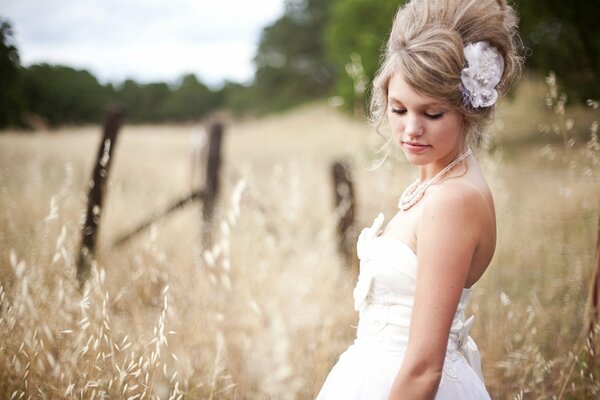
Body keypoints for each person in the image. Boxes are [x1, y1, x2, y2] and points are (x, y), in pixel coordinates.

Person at [316, 0, 522, 398]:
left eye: (431, 114)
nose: (410, 129)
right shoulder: (437, 184)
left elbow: (425, 368)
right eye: (399, 109)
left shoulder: (453, 200)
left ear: (469, 110)